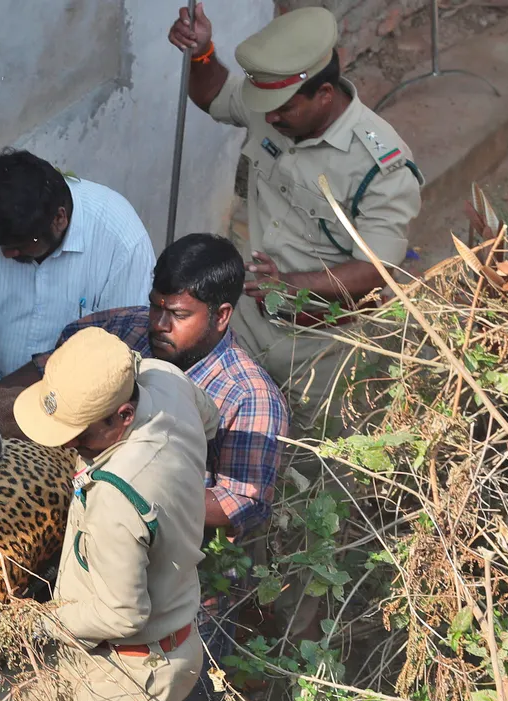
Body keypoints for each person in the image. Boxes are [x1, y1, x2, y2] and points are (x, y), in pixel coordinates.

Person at [53, 234, 288, 701]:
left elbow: (241, 503)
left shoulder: (250, 397)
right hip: (102, 567)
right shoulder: (130, 334)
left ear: (222, 315)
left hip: (189, 600)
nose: (158, 325)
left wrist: (144, 504)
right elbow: (74, 340)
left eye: (177, 314)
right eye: (156, 306)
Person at [0, 327, 218, 701]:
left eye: (79, 434)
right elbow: (208, 418)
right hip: (81, 650)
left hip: (136, 667)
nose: (67, 443)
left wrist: (35, 621)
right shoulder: (163, 379)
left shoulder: (117, 498)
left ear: (123, 415)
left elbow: (122, 615)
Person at [169, 4, 422, 429]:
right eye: (265, 108)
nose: (268, 119)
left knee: (318, 463)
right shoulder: (276, 105)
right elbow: (214, 94)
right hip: (249, 323)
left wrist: (287, 285)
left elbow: (380, 268)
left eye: (282, 110)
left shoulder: (380, 166)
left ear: (324, 94)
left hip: (326, 345)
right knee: (217, 431)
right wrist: (202, 53)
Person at [0, 148, 156, 376]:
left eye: (20, 244)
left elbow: (124, 355)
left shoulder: (121, 240)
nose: (7, 254)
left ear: (59, 219)